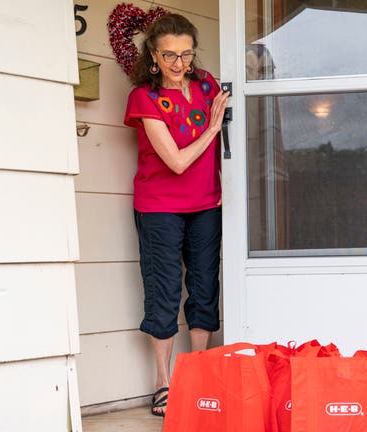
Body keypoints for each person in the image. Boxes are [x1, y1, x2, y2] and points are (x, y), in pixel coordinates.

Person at [123, 13, 229, 417]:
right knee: (164, 290)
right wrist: (213, 127)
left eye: (186, 54)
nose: (179, 63)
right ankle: (164, 384)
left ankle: (198, 373)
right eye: (169, 54)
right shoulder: (143, 98)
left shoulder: (206, 85)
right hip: (159, 208)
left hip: (207, 204)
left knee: (204, 287)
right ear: (153, 53)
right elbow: (178, 161)